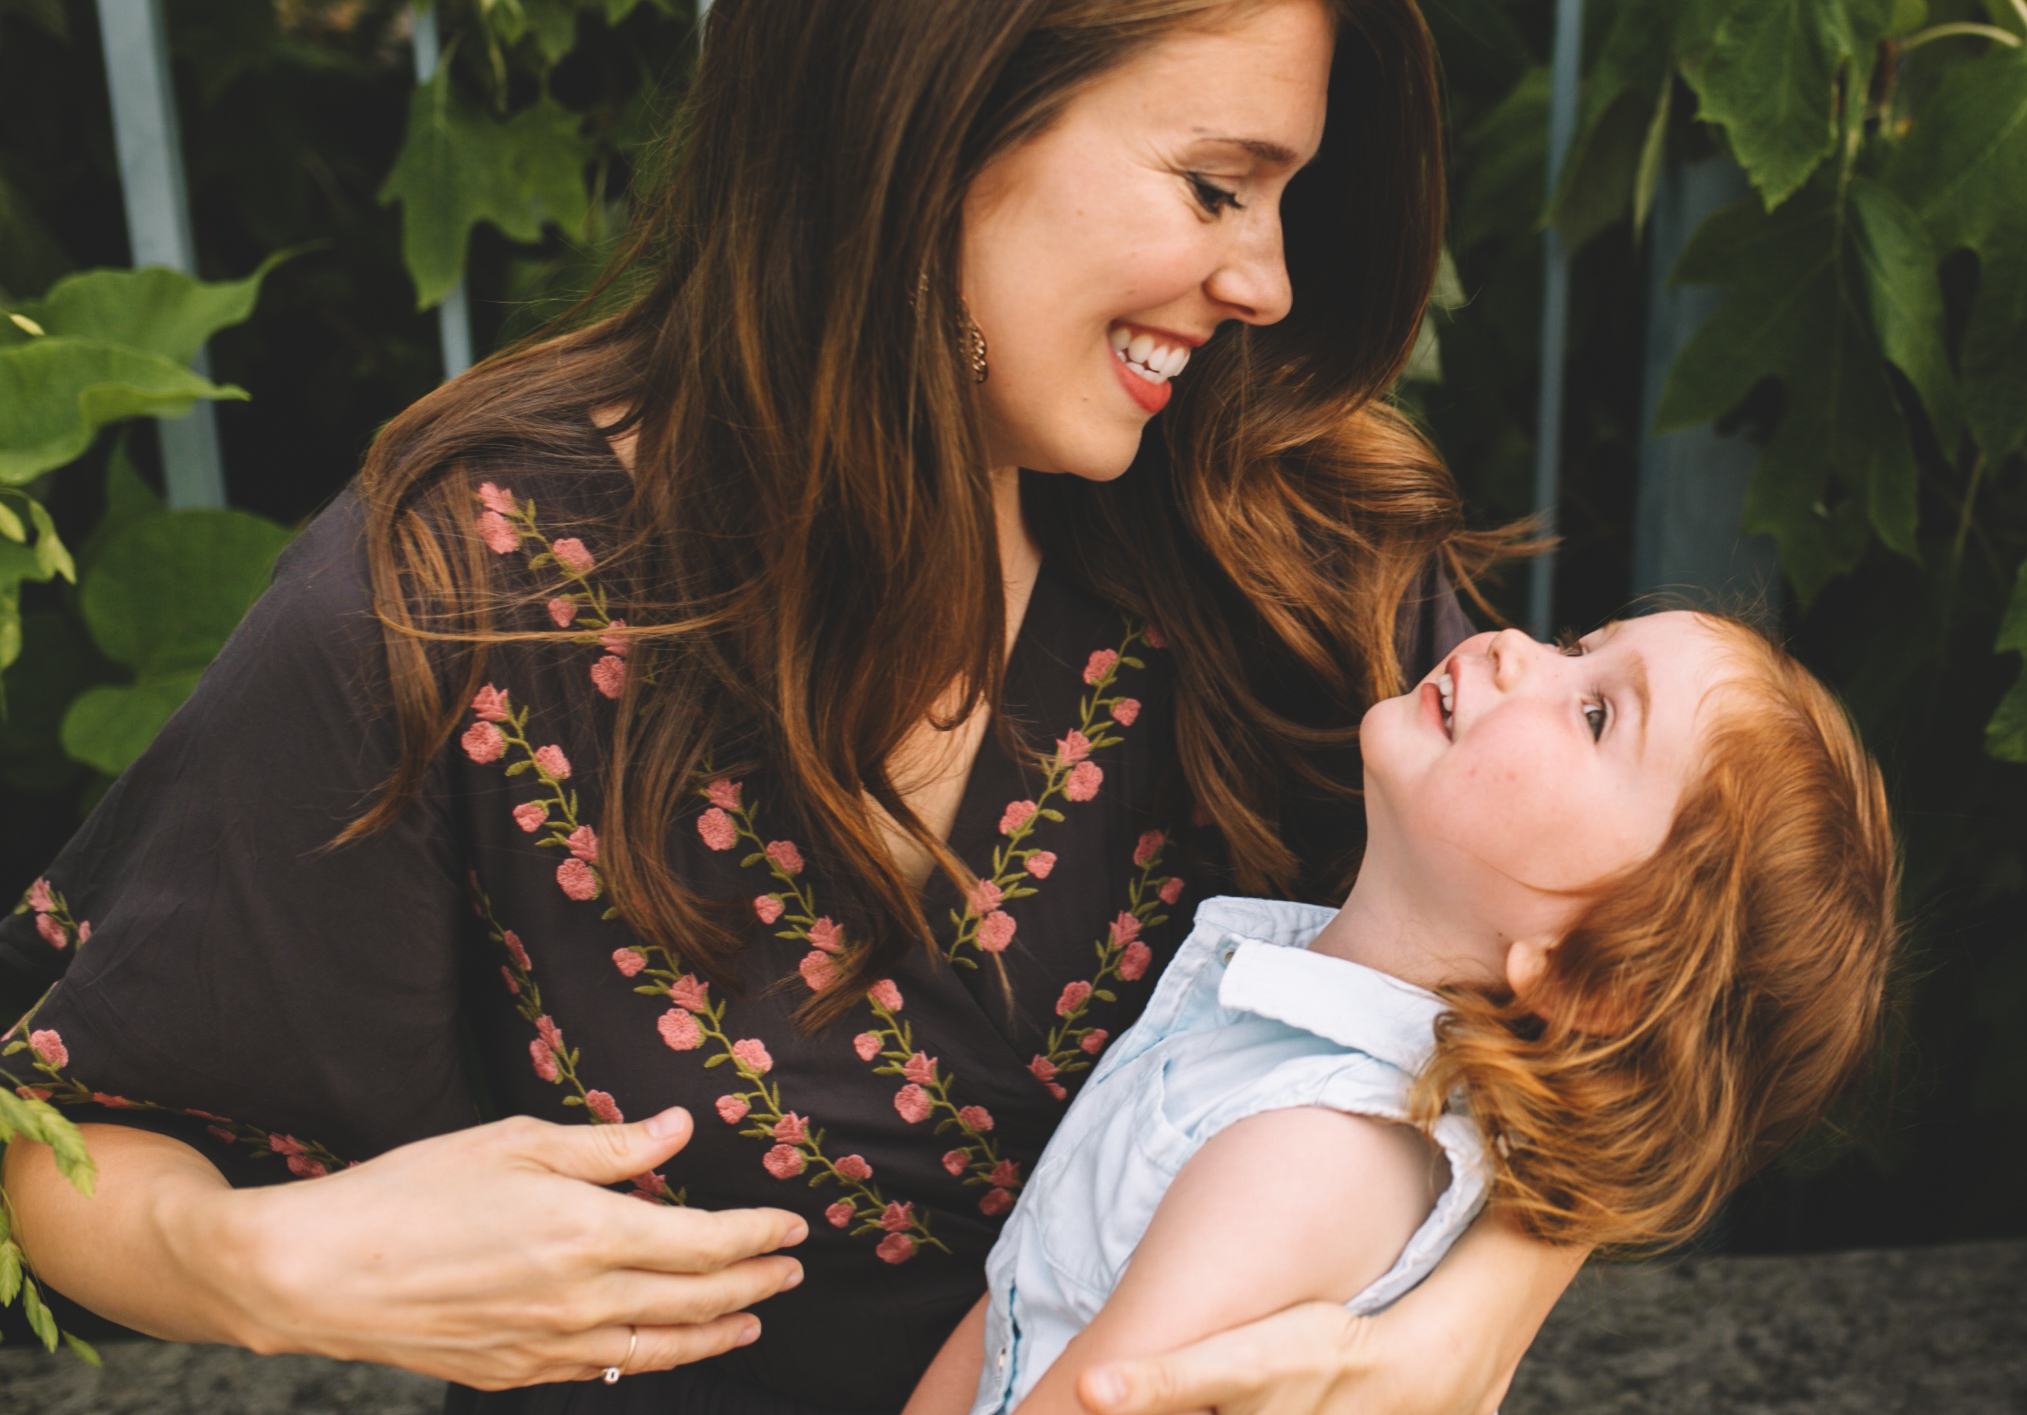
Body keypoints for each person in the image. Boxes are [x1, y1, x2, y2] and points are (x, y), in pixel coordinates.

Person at [0, 2, 1579, 1412]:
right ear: (931, 130)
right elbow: (53, 1116)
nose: (1265, 280)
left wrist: (1466, 1325)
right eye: (1214, 187)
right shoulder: (457, 592)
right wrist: (255, 1265)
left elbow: (1665, 953)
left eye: (1289, 199)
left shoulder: (1284, 556)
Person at [899, 612, 1901, 1415]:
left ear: (1592, 980)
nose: (1519, 648)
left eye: (1594, 713)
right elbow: (1016, 1305)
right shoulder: (1288, 1030)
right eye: (1578, 645)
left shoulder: (1313, 1157)